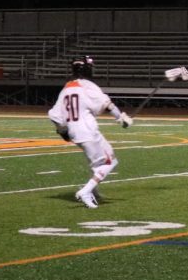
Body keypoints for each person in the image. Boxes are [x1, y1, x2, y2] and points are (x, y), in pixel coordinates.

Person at [47, 56, 133, 208]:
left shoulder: (67, 87)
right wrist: (121, 118)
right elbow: (107, 104)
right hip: (87, 130)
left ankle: (93, 191)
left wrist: (63, 132)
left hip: (75, 132)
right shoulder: (88, 86)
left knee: (100, 160)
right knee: (109, 162)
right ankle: (86, 191)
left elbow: (54, 115)